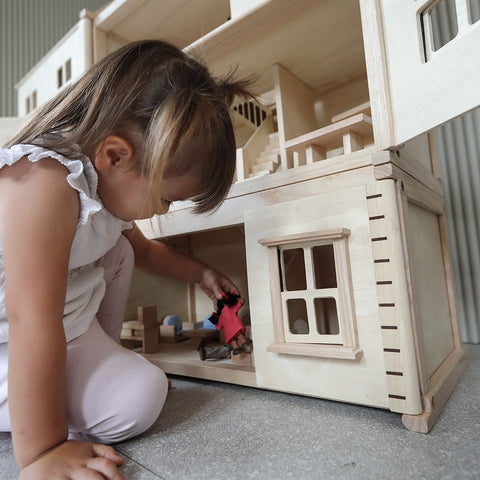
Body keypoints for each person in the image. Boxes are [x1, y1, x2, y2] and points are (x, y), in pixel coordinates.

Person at [0, 39, 251, 479]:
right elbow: (30, 321)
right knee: (140, 398)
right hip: (12, 343)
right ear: (115, 155)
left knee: (117, 252)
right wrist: (44, 451)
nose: (163, 211)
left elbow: (144, 251)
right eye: (166, 198)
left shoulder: (102, 191)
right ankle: (35, 424)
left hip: (61, 332)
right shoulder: (42, 182)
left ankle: (89, 378)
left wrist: (201, 273)